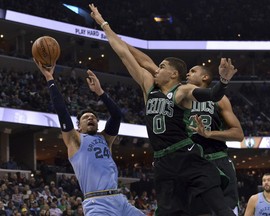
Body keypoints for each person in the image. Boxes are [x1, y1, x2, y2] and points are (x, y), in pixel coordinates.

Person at [89, 4, 237, 216]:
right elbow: (123, 53)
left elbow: (213, 95)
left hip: (188, 156)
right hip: (162, 163)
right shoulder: (148, 86)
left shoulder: (183, 90)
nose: (156, 69)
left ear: (174, 73)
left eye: (162, 67)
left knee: (219, 208)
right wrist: (103, 24)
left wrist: (223, 81)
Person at [33, 60, 145, 216]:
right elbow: (62, 111)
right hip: (97, 203)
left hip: (120, 201)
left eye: (93, 117)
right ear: (79, 126)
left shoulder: (105, 139)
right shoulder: (75, 140)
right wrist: (49, 78)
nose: (90, 118)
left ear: (98, 124)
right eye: (86, 117)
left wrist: (100, 92)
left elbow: (117, 115)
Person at [187, 65, 244, 216]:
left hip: (218, 161)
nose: (188, 74)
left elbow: (238, 134)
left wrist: (209, 134)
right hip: (192, 163)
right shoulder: (180, 98)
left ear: (205, 77)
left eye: (193, 71)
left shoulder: (220, 99)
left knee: (225, 211)